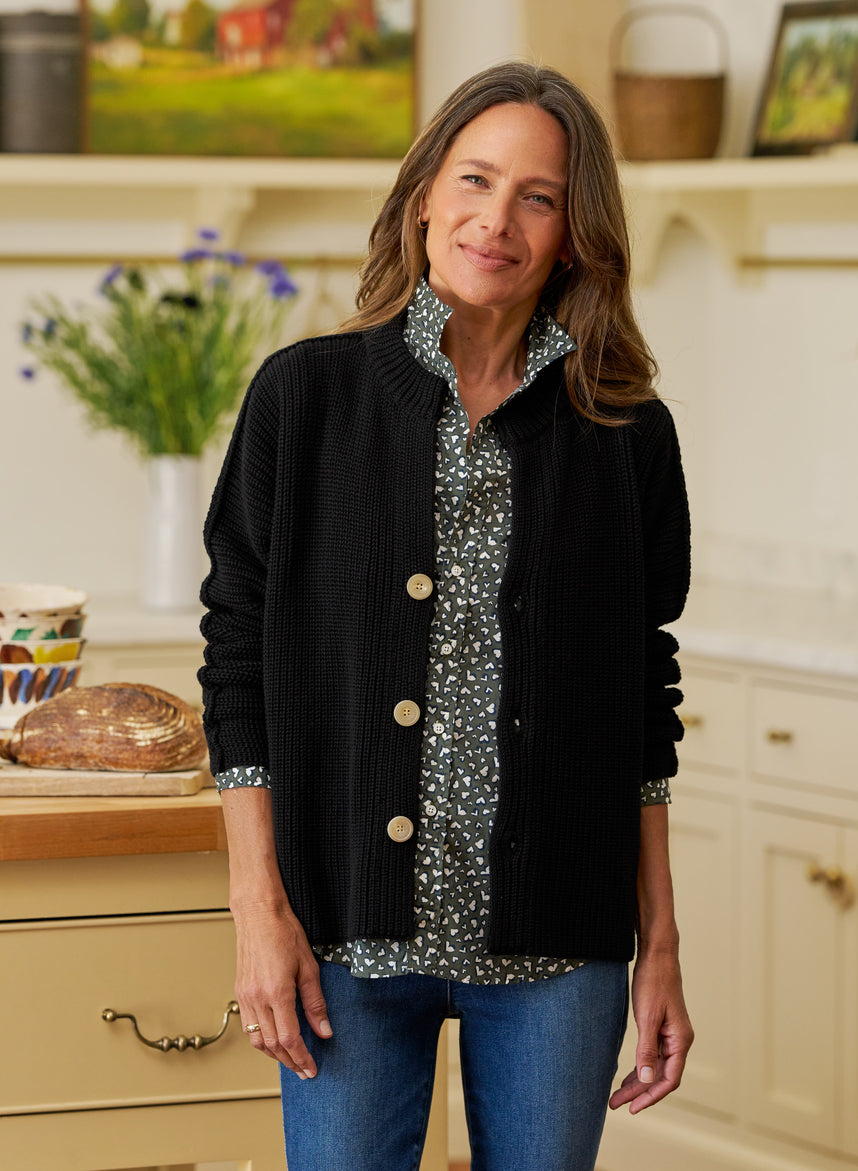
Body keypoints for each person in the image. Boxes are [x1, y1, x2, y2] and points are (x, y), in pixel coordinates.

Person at [199, 60, 692, 1171]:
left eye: (539, 195)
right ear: (424, 195)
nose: (496, 220)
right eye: (474, 180)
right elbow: (236, 658)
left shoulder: (626, 434)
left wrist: (657, 941)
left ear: (574, 233)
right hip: (343, 941)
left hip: (560, 948)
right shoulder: (303, 398)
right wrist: (257, 910)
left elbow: (642, 699)